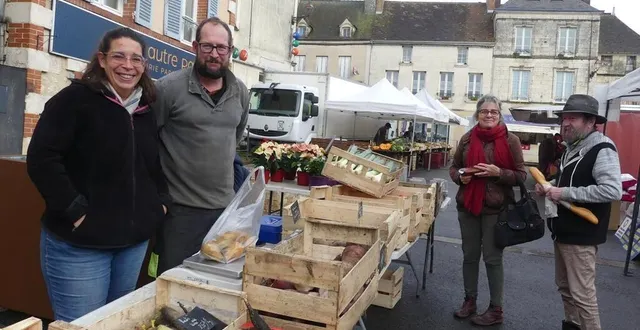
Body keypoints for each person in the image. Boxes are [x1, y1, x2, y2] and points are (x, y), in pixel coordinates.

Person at [26, 27, 170, 322]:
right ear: (102, 60)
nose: (127, 66)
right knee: (83, 326)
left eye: (136, 59)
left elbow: (152, 163)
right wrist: (74, 211)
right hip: (80, 246)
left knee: (117, 323)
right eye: (119, 56)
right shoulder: (75, 100)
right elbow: (42, 158)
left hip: (131, 245)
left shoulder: (146, 107)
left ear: (144, 66)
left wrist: (159, 204)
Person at [151, 17, 250, 276]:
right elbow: (148, 143)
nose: (214, 54)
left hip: (224, 214)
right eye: (207, 47)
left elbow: (233, 139)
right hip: (179, 214)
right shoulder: (168, 89)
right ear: (195, 46)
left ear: (230, 51)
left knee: (216, 284)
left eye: (221, 48)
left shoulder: (240, 92)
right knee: (173, 283)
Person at [534, 94, 622, 330]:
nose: (565, 123)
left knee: (583, 296)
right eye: (564, 118)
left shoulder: (602, 148)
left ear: (591, 122)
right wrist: (549, 186)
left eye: (572, 118)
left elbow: (612, 190)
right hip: (563, 232)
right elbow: (569, 181)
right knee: (565, 288)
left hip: (581, 235)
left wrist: (563, 193)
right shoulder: (572, 148)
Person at [449, 95, 527, 326]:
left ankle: (495, 310)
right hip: (468, 207)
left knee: (493, 259)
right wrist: (459, 177)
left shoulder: (510, 140)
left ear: (500, 114)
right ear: (478, 114)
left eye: (494, 111)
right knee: (469, 256)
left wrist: (498, 173)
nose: (489, 115)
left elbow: (522, 175)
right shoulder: (466, 139)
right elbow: (454, 167)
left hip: (497, 209)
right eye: (484, 111)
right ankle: (469, 301)